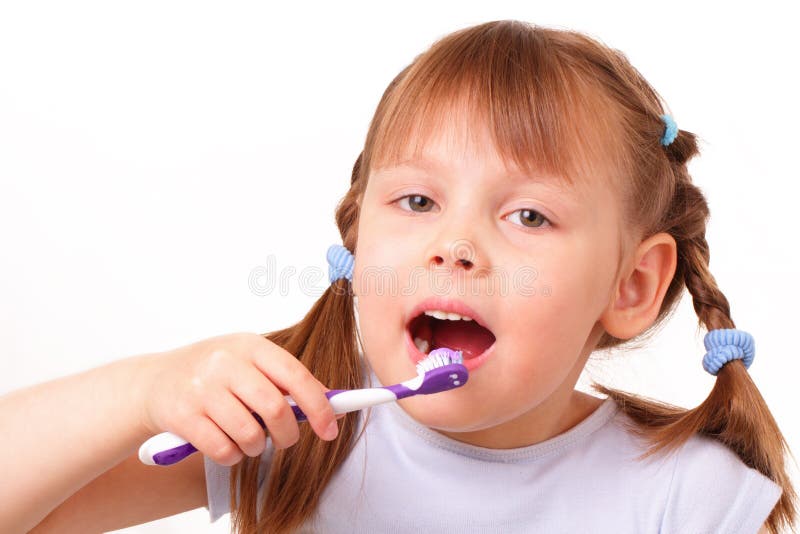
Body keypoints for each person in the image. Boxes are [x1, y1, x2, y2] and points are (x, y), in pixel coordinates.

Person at [2, 19, 795, 534]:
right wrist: (147, 389)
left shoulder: (692, 503)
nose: (454, 246)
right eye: (417, 200)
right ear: (357, 235)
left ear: (630, 285)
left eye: (528, 217)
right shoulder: (295, 438)